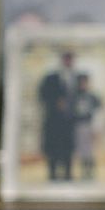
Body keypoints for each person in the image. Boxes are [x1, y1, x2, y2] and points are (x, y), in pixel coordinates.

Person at [38, 51, 79, 180]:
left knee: (68, 148)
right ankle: (53, 173)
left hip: (69, 121)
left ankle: (67, 173)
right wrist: (56, 102)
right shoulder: (51, 77)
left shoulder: (76, 78)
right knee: (53, 148)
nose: (69, 62)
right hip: (54, 120)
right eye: (67, 59)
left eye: (70, 60)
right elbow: (42, 95)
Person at [72, 72, 102, 180]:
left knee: (90, 151)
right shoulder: (74, 96)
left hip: (89, 126)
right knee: (82, 151)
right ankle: (84, 171)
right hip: (78, 126)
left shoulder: (93, 97)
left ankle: (90, 172)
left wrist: (96, 128)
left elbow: (98, 113)